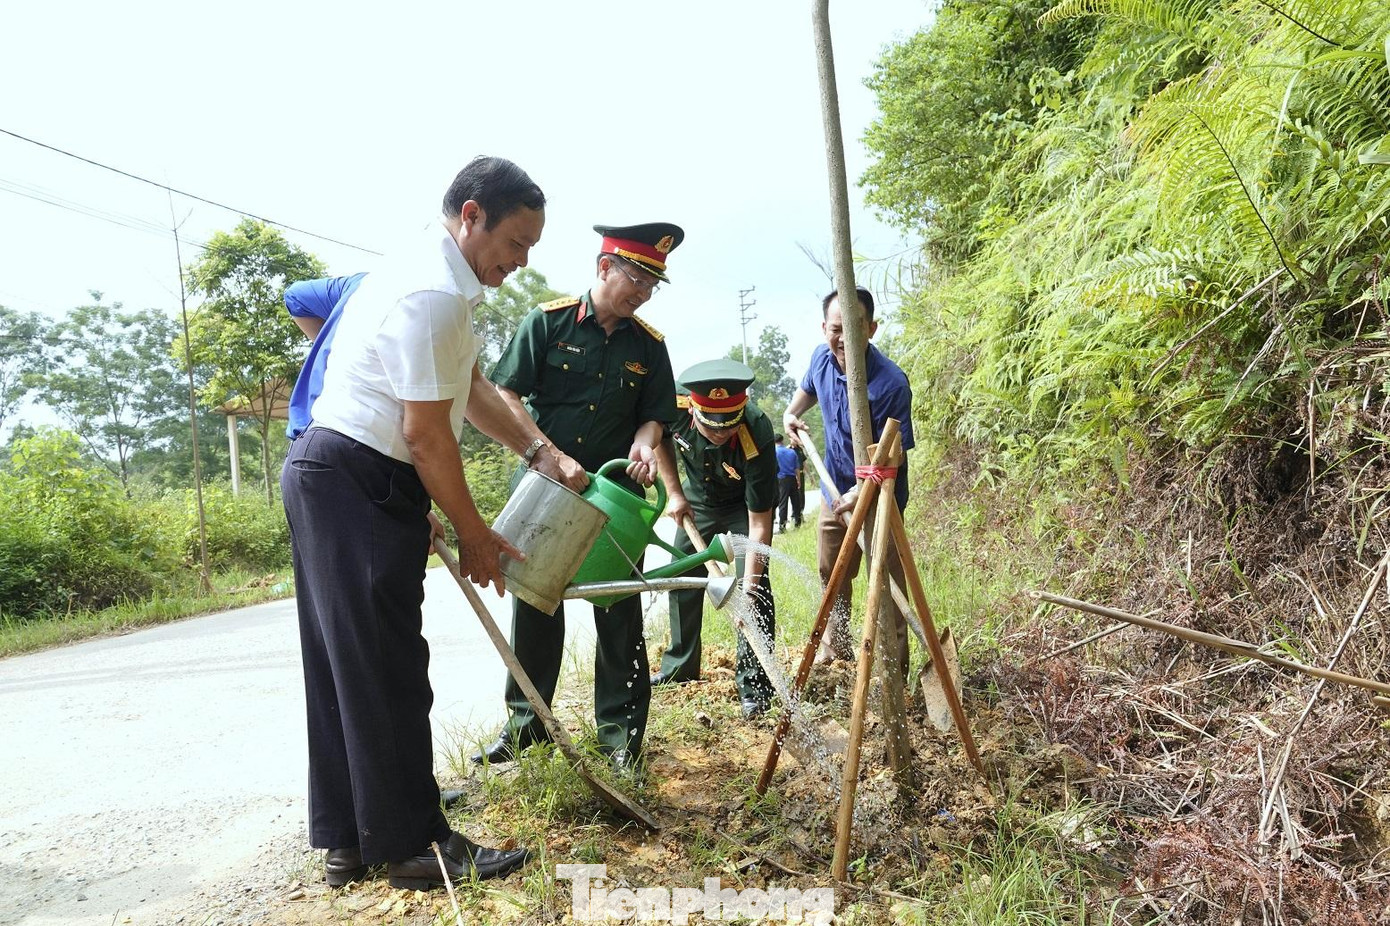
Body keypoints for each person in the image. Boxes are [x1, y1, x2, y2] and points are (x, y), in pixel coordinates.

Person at [281, 156, 588, 892]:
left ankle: (352, 841)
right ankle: (415, 845)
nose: (519, 262)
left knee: (350, 665)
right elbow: (426, 435)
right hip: (355, 472)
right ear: (472, 215)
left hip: (348, 475)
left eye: (531, 249)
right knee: (385, 666)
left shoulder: (438, 280)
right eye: (516, 243)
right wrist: (472, 529)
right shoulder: (430, 293)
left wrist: (538, 452)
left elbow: (470, 392)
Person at [474, 222, 682, 771]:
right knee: (536, 605)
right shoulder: (548, 322)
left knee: (619, 612)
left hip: (614, 499)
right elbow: (505, 391)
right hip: (547, 488)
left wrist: (644, 443)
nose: (641, 294)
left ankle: (620, 740)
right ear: (604, 267)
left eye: (651, 286)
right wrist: (547, 453)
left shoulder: (650, 346)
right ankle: (527, 729)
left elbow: (656, 417)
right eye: (636, 279)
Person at [782, 286, 915, 669]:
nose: (844, 339)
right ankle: (835, 653)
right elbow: (807, 390)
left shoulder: (891, 383)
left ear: (871, 329)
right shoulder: (821, 359)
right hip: (832, 487)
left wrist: (865, 490)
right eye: (836, 329)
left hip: (880, 497)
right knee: (832, 572)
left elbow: (896, 452)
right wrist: (792, 413)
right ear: (825, 327)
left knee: (886, 585)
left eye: (854, 329)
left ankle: (894, 670)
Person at [651, 360, 779, 719]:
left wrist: (749, 586)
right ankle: (680, 666)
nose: (721, 433)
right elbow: (659, 437)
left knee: (755, 588)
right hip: (697, 503)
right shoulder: (674, 406)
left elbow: (759, 524)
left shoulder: (756, 430)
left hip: (742, 507)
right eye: (711, 426)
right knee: (679, 575)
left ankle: (755, 686)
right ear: (693, 409)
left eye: (729, 426)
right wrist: (675, 492)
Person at [283, 273, 367, 438]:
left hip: (310, 434)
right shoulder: (417, 298)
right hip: (356, 434)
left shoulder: (361, 283)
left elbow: (295, 297)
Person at [773, 432, 799, 533]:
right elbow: (797, 468)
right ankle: (798, 522)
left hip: (781, 479)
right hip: (792, 477)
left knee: (783, 502)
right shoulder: (792, 452)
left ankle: (782, 526)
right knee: (795, 501)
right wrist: (798, 479)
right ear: (782, 440)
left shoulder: (774, 452)